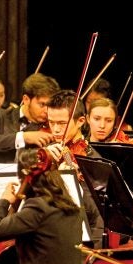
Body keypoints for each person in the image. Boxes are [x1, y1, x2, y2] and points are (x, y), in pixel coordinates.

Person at [43, 90, 104, 248]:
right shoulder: (48, 152)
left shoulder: (91, 159)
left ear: (81, 121)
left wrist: (71, 182)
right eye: (51, 122)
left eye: (62, 123)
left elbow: (97, 215)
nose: (55, 130)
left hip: (78, 241)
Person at [0, 73, 58, 163]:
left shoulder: (52, 125)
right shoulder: (1, 116)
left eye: (50, 105)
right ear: (26, 99)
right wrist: (22, 137)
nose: (47, 110)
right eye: (42, 104)